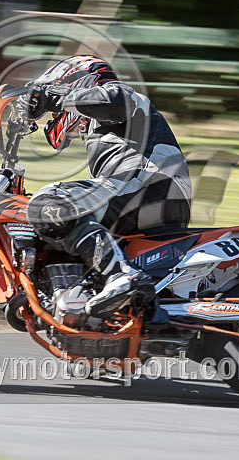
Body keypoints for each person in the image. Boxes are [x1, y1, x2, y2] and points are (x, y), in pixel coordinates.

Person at [18, 55, 192, 318]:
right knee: (53, 217)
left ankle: (120, 275)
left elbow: (111, 101)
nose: (56, 116)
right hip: (144, 194)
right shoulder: (99, 131)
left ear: (77, 81)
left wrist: (54, 96)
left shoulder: (120, 96)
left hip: (154, 187)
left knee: (52, 201)